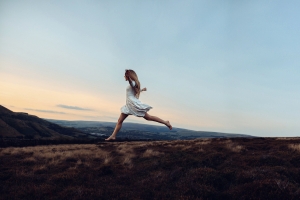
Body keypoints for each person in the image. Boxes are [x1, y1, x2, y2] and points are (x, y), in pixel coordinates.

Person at [105, 69, 172, 141]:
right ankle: (113, 136)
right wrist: (142, 90)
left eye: (125, 75)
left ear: (129, 75)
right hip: (128, 105)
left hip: (133, 105)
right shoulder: (134, 84)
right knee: (119, 121)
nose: (124, 76)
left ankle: (166, 122)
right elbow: (134, 90)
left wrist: (129, 79)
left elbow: (132, 84)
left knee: (149, 117)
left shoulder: (133, 82)